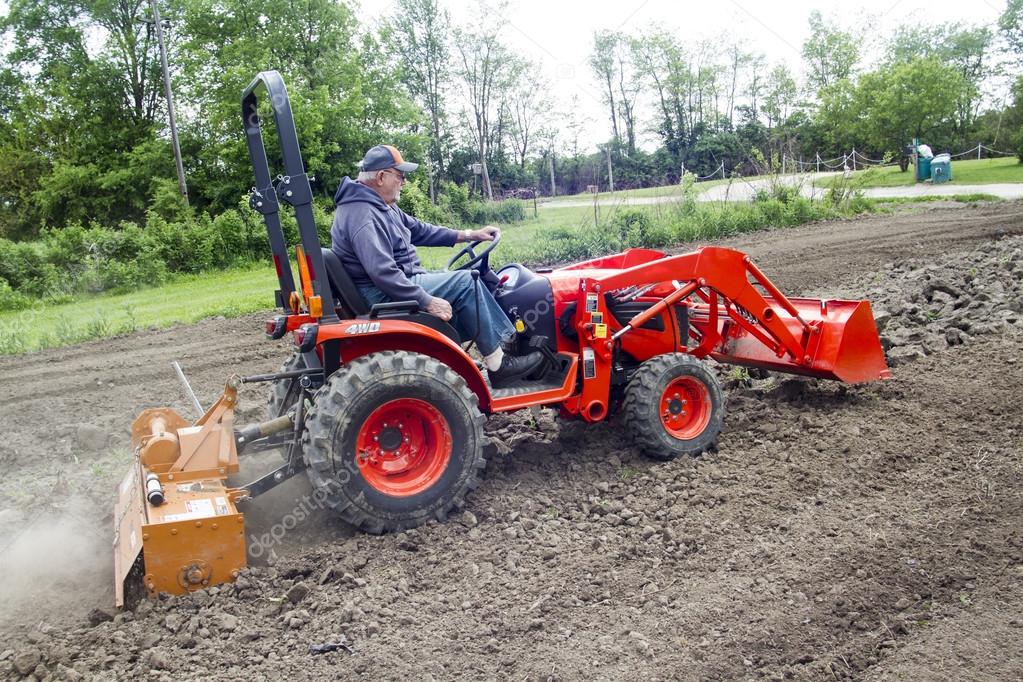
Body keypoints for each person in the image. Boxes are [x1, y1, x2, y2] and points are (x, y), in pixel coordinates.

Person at [330, 144, 544, 387]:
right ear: (381, 177)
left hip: (398, 282)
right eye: (400, 175)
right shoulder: (362, 214)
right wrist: (426, 300)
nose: (404, 182)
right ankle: (499, 365)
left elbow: (419, 230)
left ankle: (477, 355)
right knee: (466, 282)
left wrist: (470, 234)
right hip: (385, 292)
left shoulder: (380, 205)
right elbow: (383, 272)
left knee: (466, 284)